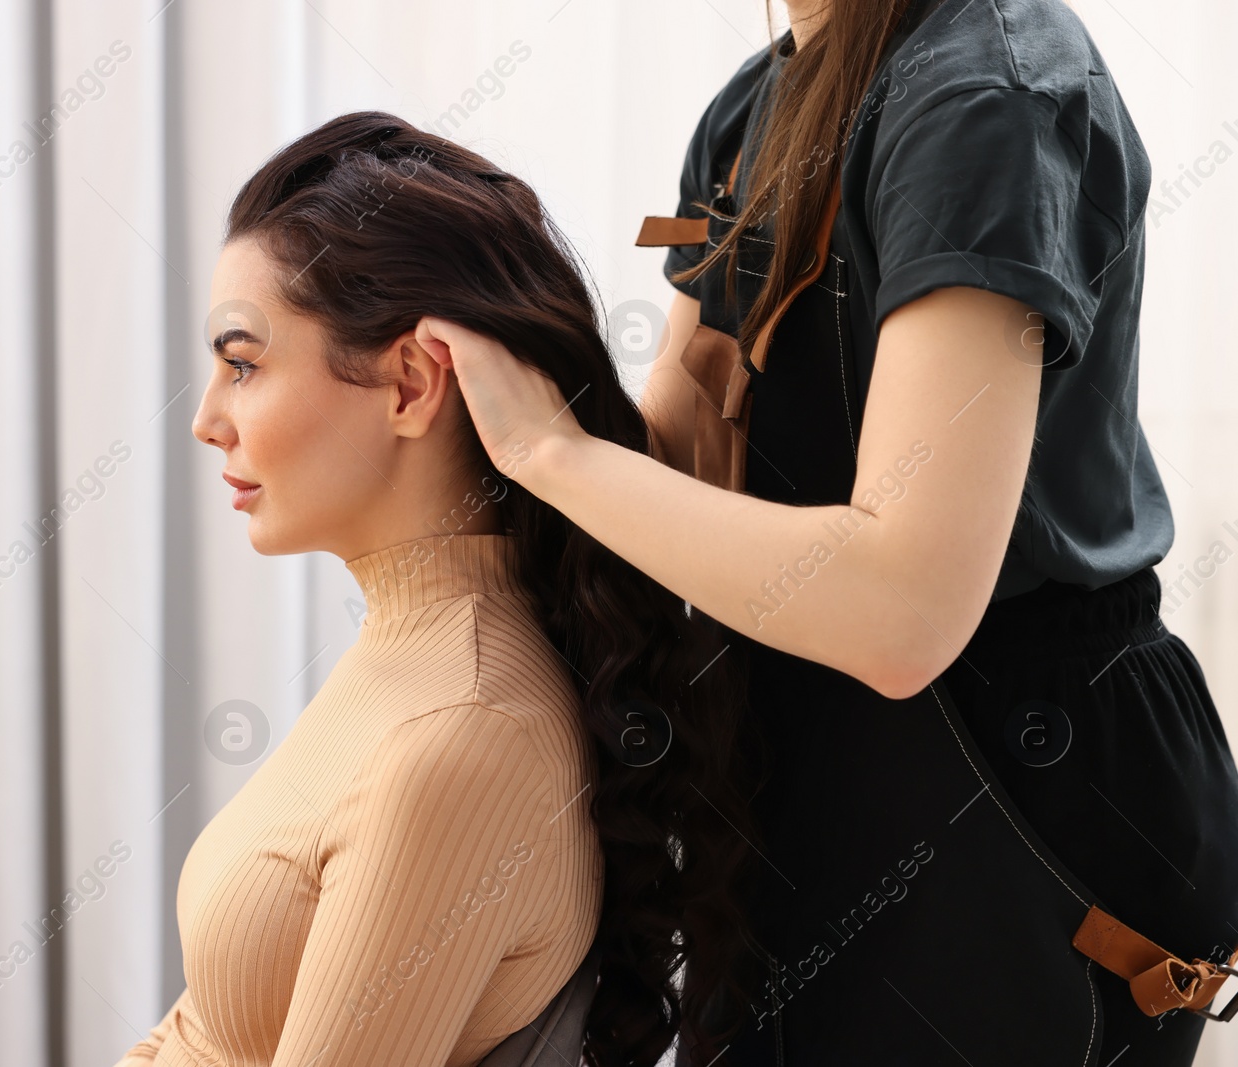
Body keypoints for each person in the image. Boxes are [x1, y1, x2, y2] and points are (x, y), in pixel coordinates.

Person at [413, 0, 1238, 1063]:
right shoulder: (754, 105)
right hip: (805, 737)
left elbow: (902, 607)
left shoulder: (983, 100)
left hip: (1007, 776)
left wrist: (553, 454)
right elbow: (680, 456)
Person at [114, 112, 758, 1067]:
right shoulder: (415, 656)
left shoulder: (461, 733)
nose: (207, 419)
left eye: (242, 363)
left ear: (411, 381)